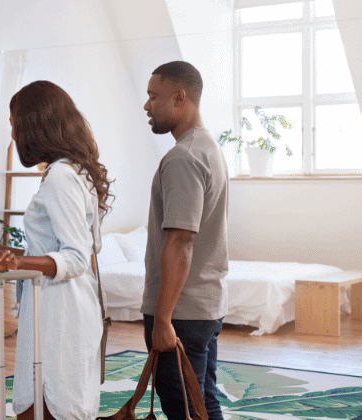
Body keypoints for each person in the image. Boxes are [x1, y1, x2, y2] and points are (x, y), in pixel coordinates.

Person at [0, 81, 113, 420]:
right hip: (62, 306)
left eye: (14, 124)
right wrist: (5, 250)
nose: (14, 133)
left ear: (35, 125)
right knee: (45, 404)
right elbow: (55, 249)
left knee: (48, 407)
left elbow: (76, 256)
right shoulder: (73, 171)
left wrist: (14, 260)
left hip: (60, 313)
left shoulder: (61, 175)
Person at [141, 61, 229, 420]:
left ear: (180, 97)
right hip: (202, 308)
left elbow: (180, 242)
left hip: (181, 313)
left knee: (185, 409)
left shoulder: (183, 157)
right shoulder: (208, 147)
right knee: (202, 403)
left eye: (153, 96)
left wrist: (163, 319)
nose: (147, 105)